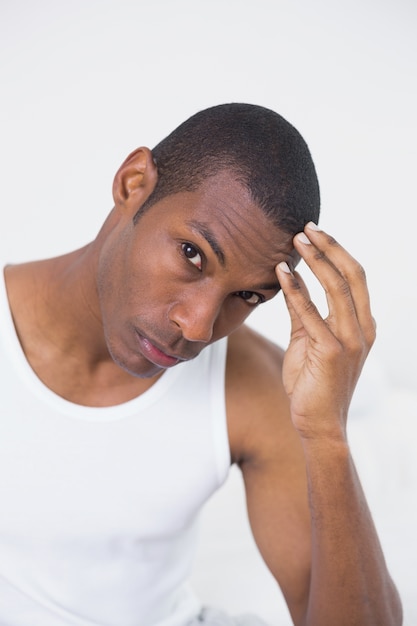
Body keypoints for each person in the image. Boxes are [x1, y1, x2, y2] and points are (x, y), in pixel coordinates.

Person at [0, 103, 402, 626]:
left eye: (246, 296)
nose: (198, 327)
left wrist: (325, 433)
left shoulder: (253, 389)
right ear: (132, 184)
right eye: (192, 254)